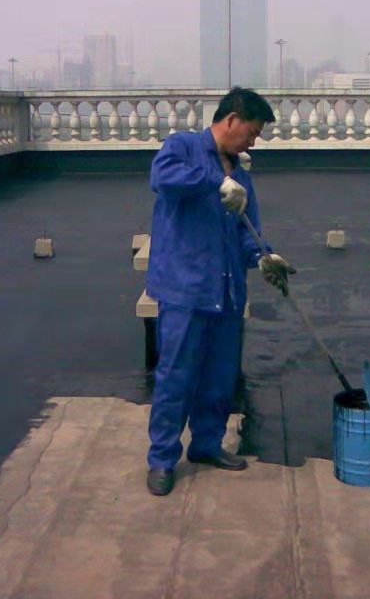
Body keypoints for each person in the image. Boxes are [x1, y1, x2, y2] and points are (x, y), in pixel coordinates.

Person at [145, 87, 296, 496]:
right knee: (176, 376)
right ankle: (162, 459)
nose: (253, 142)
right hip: (185, 289)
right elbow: (162, 179)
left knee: (218, 376)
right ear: (231, 120)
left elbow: (248, 229)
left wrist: (263, 256)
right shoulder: (182, 147)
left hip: (227, 291)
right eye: (251, 132)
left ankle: (207, 444)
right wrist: (216, 180)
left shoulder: (241, 177)